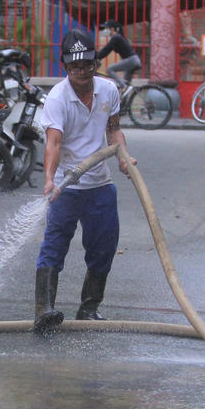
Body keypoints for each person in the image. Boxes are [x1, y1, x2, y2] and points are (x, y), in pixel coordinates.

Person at [33, 29, 132, 335]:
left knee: (104, 246)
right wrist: (50, 179)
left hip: (100, 184)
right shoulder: (57, 98)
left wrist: (123, 156)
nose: (81, 71)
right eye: (75, 67)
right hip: (67, 186)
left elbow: (113, 130)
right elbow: (53, 142)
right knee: (55, 245)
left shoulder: (109, 90)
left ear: (94, 63)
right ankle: (44, 310)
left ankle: (89, 308)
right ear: (66, 66)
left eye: (87, 65)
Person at [96, 20, 142, 87]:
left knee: (110, 69)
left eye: (106, 28)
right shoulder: (118, 37)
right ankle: (126, 94)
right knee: (126, 85)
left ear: (112, 29)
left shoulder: (116, 37)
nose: (104, 30)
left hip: (131, 60)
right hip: (134, 60)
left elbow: (106, 50)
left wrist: (96, 57)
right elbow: (107, 50)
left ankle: (123, 86)